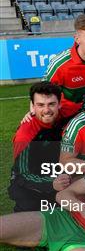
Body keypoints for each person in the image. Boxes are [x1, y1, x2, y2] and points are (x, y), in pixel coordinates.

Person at [9, 82, 68, 212]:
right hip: (30, 185)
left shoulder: (66, 113)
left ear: (60, 104)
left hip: (56, 174)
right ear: (32, 106)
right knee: (34, 220)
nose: (46, 110)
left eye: (51, 104)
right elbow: (22, 174)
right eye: (40, 105)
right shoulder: (25, 134)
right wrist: (51, 183)